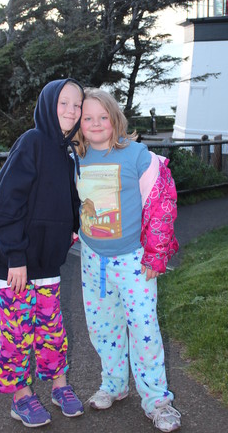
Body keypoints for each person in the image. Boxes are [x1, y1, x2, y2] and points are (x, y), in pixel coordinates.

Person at [74, 88, 181, 432]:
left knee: (144, 330)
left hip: (135, 262)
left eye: (102, 117)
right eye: (87, 118)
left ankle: (157, 401)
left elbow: (162, 205)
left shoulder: (137, 156)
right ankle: (114, 385)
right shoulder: (76, 158)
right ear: (79, 123)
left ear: (115, 119)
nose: (95, 123)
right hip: (93, 262)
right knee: (103, 328)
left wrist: (156, 254)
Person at [0, 78, 85, 428]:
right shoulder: (32, 143)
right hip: (16, 265)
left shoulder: (67, 151)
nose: (71, 111)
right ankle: (21, 396)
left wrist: (71, 225)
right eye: (64, 103)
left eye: (77, 105)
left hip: (46, 264)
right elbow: (3, 204)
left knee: (52, 330)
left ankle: (59, 385)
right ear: (47, 104)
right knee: (18, 334)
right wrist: (15, 256)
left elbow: (67, 197)